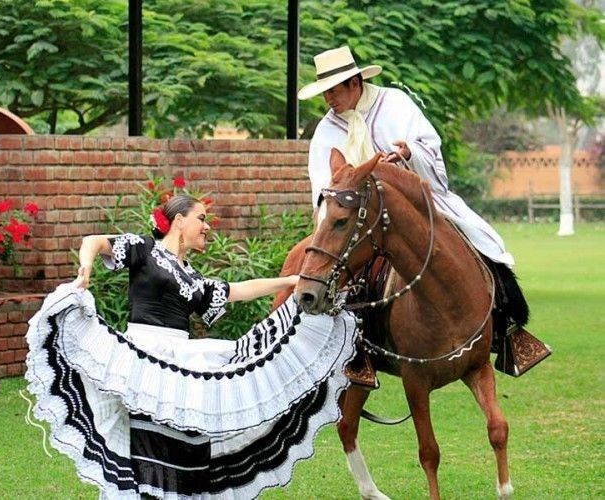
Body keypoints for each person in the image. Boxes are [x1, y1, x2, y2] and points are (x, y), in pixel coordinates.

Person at [25, 194, 357, 499]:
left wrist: (287, 282)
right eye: (201, 218)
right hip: (144, 356)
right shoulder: (144, 249)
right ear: (180, 221)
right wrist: (85, 270)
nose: (207, 226)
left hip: (181, 361)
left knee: (189, 440)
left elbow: (236, 290)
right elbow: (94, 241)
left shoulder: (192, 278)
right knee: (150, 440)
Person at [298, 46, 514, 267]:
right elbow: (323, 189)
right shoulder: (326, 130)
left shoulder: (395, 103)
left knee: (484, 250)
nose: (327, 99)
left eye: (332, 91)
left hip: (412, 203)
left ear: (354, 83)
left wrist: (410, 154)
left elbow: (429, 150)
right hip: (356, 220)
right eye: (324, 92)